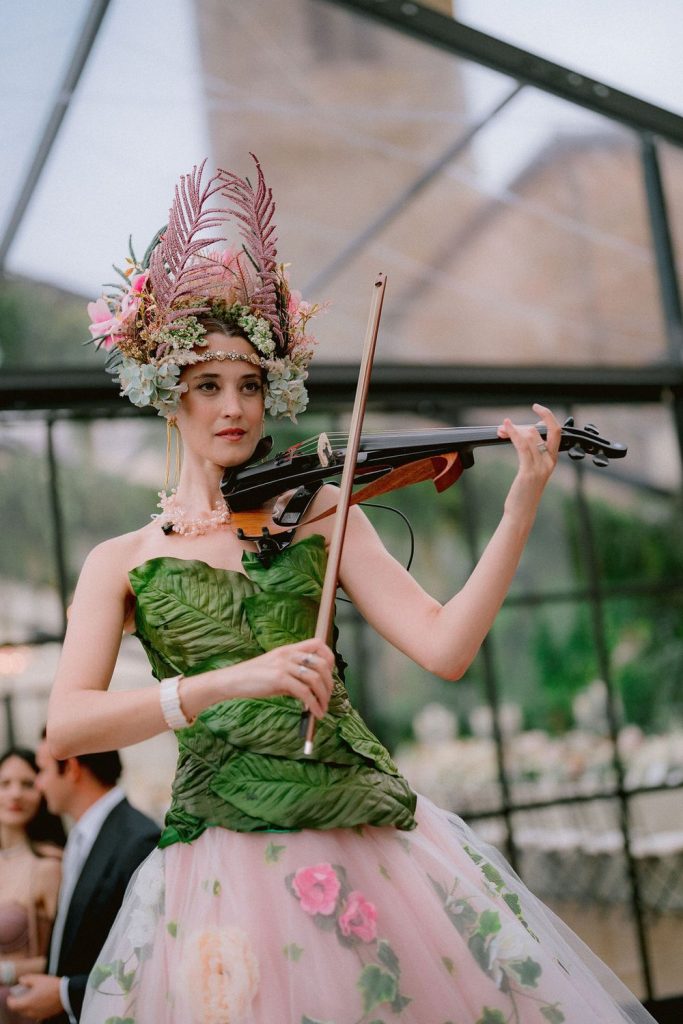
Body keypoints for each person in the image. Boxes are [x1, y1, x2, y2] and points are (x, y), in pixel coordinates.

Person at [43, 156, 654, 1023]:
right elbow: (66, 723)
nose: (235, 408)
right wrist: (229, 681)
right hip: (222, 862)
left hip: (364, 839)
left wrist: (519, 506)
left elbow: (445, 648)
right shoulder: (120, 560)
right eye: (208, 386)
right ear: (164, 396)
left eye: (251, 385)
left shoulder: (321, 510)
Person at [6, 743, 159, 1023]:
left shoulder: (138, 839)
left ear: (73, 768)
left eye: (41, 770)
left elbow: (149, 962)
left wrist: (65, 994)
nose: (38, 784)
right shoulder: (80, 837)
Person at [0, 748, 64, 1024]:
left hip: (21, 1011)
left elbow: (67, 957)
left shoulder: (48, 866)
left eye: (27, 784)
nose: (15, 794)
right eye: (4, 784)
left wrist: (6, 971)